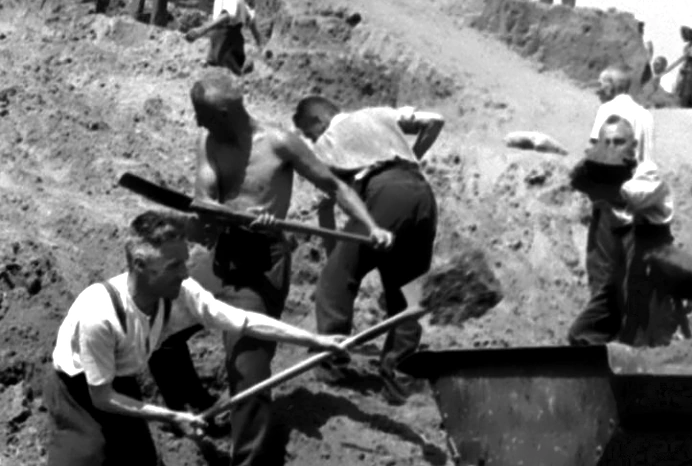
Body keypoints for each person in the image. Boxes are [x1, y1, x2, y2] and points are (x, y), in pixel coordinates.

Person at [151, 72, 393, 466]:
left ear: (227, 112)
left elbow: (335, 187)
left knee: (248, 373)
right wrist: (216, 216)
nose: (197, 123)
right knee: (159, 327)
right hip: (222, 257)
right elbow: (205, 203)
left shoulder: (280, 144)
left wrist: (371, 226)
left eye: (204, 115)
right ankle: (195, 411)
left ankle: (249, 461)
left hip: (261, 264)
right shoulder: (208, 141)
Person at [43, 210, 348, 466]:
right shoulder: (101, 315)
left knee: (142, 460)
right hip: (77, 389)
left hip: (119, 379)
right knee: (88, 455)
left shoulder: (180, 292)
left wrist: (317, 340)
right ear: (139, 264)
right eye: (174, 265)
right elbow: (102, 398)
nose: (185, 272)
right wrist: (174, 416)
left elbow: (244, 321)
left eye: (185, 261)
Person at [292, 96, 443, 403]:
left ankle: (330, 360)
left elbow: (332, 206)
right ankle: (399, 374)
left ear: (318, 121)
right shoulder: (377, 114)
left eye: (309, 133)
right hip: (423, 194)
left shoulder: (327, 141)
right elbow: (434, 121)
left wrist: (337, 259)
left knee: (334, 280)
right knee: (408, 292)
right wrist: (411, 156)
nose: (311, 140)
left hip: (383, 195)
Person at [567, 116, 692, 346]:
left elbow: (632, 197)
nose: (611, 148)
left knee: (644, 344)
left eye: (618, 142)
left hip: (649, 276)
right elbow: (577, 181)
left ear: (633, 146)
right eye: (605, 142)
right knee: (581, 333)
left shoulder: (647, 173)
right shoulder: (603, 178)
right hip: (619, 277)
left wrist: (601, 179)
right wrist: (591, 166)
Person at [589, 64, 654, 164]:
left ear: (611, 86)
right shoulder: (646, 115)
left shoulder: (606, 109)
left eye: (601, 85)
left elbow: (596, 145)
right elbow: (647, 155)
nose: (598, 91)